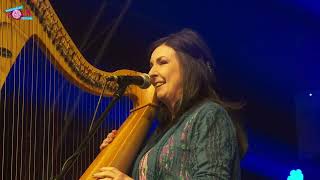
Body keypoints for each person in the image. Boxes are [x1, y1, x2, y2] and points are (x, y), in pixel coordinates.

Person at [93, 28, 247, 180]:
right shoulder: (160, 133)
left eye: (162, 62)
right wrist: (114, 153)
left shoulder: (210, 114)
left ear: (188, 68)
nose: (151, 72)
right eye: (151, 64)